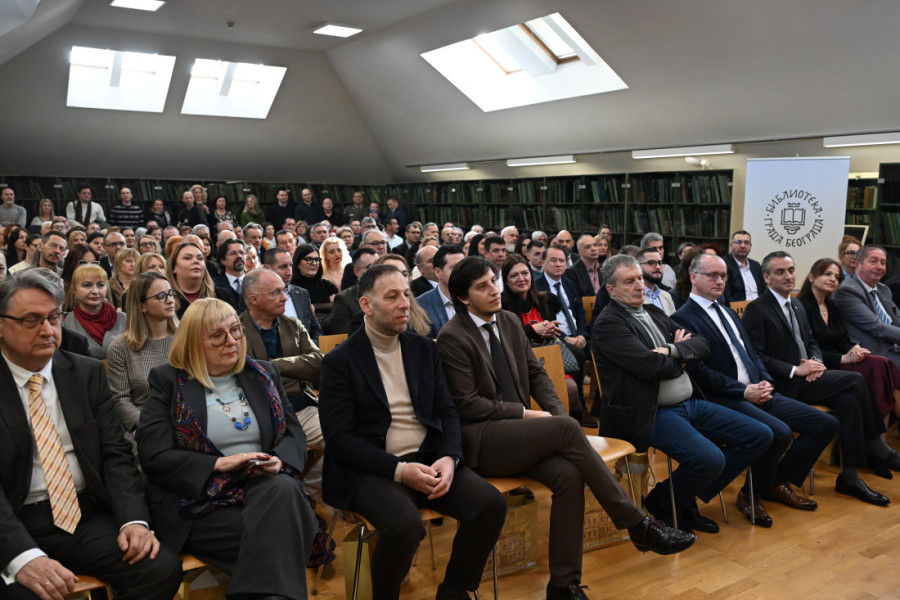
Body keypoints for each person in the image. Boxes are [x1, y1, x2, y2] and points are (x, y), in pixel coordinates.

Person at [437, 257, 695, 600]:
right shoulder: (452, 336)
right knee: (564, 433)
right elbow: (467, 405)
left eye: (492, 282)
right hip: (483, 439)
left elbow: (537, 376)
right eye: (482, 287)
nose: (494, 291)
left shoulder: (510, 320)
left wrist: (561, 418)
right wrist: (533, 417)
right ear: (464, 298)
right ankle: (638, 523)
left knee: (569, 476)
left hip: (521, 436)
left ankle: (563, 584)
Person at [319, 263, 508, 600]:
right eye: (392, 297)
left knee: (490, 504)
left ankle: (453, 590)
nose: (405, 303)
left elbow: (447, 412)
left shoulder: (424, 349)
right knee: (405, 527)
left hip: (429, 458)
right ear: (366, 305)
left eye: (406, 294)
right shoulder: (339, 362)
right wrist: (400, 471)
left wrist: (449, 458)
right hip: (373, 468)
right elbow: (340, 441)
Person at [0, 269, 182, 600]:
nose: (47, 330)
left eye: (54, 318)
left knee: (159, 569)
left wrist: (134, 522)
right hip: (14, 518)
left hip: (83, 515)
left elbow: (116, 455)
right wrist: (22, 556)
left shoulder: (84, 373)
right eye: (31, 320)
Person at [137, 298, 317, 599]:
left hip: (261, 485)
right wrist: (218, 465)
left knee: (281, 488)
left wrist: (277, 460)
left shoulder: (262, 373)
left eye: (236, 330)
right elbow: (154, 457)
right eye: (217, 335)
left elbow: (293, 434)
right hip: (199, 501)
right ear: (194, 341)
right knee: (283, 536)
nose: (231, 341)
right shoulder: (169, 381)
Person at [593, 255, 772, 534]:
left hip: (688, 403)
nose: (640, 285)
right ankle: (667, 501)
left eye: (640, 278)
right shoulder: (609, 324)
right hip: (649, 412)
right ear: (611, 290)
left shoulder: (653, 311)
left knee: (759, 435)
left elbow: (702, 344)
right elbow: (649, 366)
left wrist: (670, 350)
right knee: (711, 460)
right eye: (629, 281)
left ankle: (681, 497)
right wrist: (679, 354)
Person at [673, 254, 838, 524]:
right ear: (693, 277)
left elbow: (751, 354)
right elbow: (699, 373)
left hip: (757, 390)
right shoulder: (682, 317)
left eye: (723, 276)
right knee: (780, 433)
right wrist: (743, 391)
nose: (719, 281)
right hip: (723, 397)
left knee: (825, 424)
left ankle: (773, 482)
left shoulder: (726, 310)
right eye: (712, 275)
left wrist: (764, 382)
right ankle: (748, 494)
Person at [741, 251, 891, 505]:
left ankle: (850, 475)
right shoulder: (757, 309)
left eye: (790, 270)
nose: (788, 276)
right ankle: (876, 445)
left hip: (809, 378)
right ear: (766, 278)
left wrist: (817, 363)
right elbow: (757, 356)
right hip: (785, 383)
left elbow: (811, 342)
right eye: (780, 272)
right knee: (855, 381)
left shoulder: (797, 304)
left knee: (849, 400)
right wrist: (795, 370)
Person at [240, 269, 325, 501]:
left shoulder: (292, 325)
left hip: (301, 408)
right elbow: (244, 374)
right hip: (260, 417)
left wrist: (272, 366)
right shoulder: (237, 331)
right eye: (276, 292)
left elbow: (318, 362)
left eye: (283, 290)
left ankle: (310, 493)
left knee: (338, 435)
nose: (285, 297)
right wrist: (294, 367)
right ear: (253, 299)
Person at [798, 258, 900, 430]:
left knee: (881, 364)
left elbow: (843, 340)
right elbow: (807, 349)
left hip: (842, 361)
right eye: (827, 274)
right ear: (811, 277)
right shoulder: (800, 306)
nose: (833, 279)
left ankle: (878, 442)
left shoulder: (832, 306)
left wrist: (854, 350)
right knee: (878, 370)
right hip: (820, 366)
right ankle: (877, 440)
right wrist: (843, 358)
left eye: (837, 277)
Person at [501, 254, 586, 424]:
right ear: (505, 280)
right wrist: (532, 330)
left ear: (531, 276)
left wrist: (553, 331)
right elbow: (505, 340)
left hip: (551, 357)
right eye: (514, 275)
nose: (521, 279)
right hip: (521, 365)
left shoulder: (546, 300)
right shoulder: (502, 305)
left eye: (525, 273)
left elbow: (552, 331)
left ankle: (575, 431)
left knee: (572, 388)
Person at [106, 272, 177, 448]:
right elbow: (121, 400)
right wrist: (153, 426)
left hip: (188, 422)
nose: (170, 300)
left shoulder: (185, 338)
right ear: (142, 305)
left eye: (171, 293)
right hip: (145, 427)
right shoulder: (120, 346)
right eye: (161, 296)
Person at [832, 246, 900, 368]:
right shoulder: (847, 291)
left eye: (883, 263)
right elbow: (877, 327)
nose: (879, 267)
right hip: (875, 352)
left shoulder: (883, 289)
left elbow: (897, 318)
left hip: (894, 346)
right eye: (873, 261)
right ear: (858, 264)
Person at [61, 265, 127, 359]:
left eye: (100, 285)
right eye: (87, 285)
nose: (95, 291)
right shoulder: (65, 323)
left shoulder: (124, 319)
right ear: (74, 290)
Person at [166, 241, 232, 319]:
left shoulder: (222, 295)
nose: (196, 261)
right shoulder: (166, 299)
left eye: (200, 258)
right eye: (187, 258)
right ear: (174, 268)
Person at [418, 244, 466, 338]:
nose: (462, 272)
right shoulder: (420, 306)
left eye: (464, 266)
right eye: (454, 267)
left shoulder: (477, 300)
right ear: (438, 272)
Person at [330, 248, 378, 335]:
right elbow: (343, 338)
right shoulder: (344, 299)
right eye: (370, 267)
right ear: (357, 272)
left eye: (379, 266)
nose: (377, 271)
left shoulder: (391, 294)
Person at [723, 230, 765, 303]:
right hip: (737, 311)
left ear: (750, 246)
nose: (743, 246)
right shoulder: (724, 265)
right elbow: (725, 297)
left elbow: (763, 291)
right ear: (731, 245)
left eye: (746, 242)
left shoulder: (756, 265)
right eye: (738, 242)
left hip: (759, 309)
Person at [212, 239, 248, 314]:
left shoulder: (256, 282)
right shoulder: (214, 285)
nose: (239, 256)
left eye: (242, 253)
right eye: (233, 253)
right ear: (223, 260)